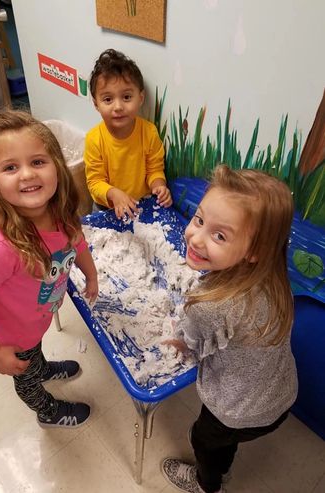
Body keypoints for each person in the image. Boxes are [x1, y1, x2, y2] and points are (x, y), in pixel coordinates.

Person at [0, 109, 98, 429]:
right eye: (10, 167)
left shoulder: (59, 210)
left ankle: (43, 366)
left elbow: (78, 242)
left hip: (36, 319)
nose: (28, 174)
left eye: (37, 162)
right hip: (11, 336)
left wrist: (91, 273)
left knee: (35, 353)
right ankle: (46, 410)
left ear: (57, 167)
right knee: (26, 377)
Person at [161, 164, 298, 493]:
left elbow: (190, 342)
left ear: (254, 252)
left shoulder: (208, 306)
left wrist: (180, 340)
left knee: (205, 442)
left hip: (234, 410)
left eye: (219, 235)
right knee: (224, 440)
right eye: (199, 219)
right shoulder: (275, 280)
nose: (195, 237)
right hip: (280, 395)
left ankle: (207, 483)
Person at [84, 48, 172, 219]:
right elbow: (94, 182)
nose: (118, 107)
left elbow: (154, 168)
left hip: (141, 205)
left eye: (126, 97)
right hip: (106, 207)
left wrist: (159, 186)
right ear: (96, 104)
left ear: (140, 98)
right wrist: (114, 194)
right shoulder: (94, 139)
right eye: (108, 99)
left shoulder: (148, 132)